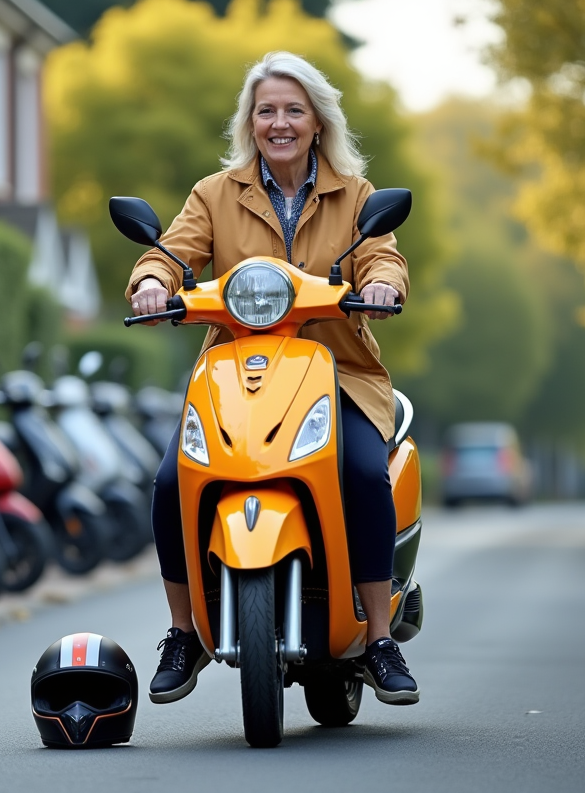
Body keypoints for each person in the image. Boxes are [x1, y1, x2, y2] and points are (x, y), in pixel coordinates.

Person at [126, 51, 419, 706]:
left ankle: (377, 638)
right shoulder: (214, 193)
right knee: (173, 478)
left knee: (363, 471)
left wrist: (379, 283)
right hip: (238, 376)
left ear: (318, 122)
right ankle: (183, 633)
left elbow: (383, 256)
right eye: (266, 111)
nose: (279, 122)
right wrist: (151, 283)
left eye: (293, 110)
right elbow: (169, 251)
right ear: (249, 123)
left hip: (338, 373)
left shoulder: (356, 196)